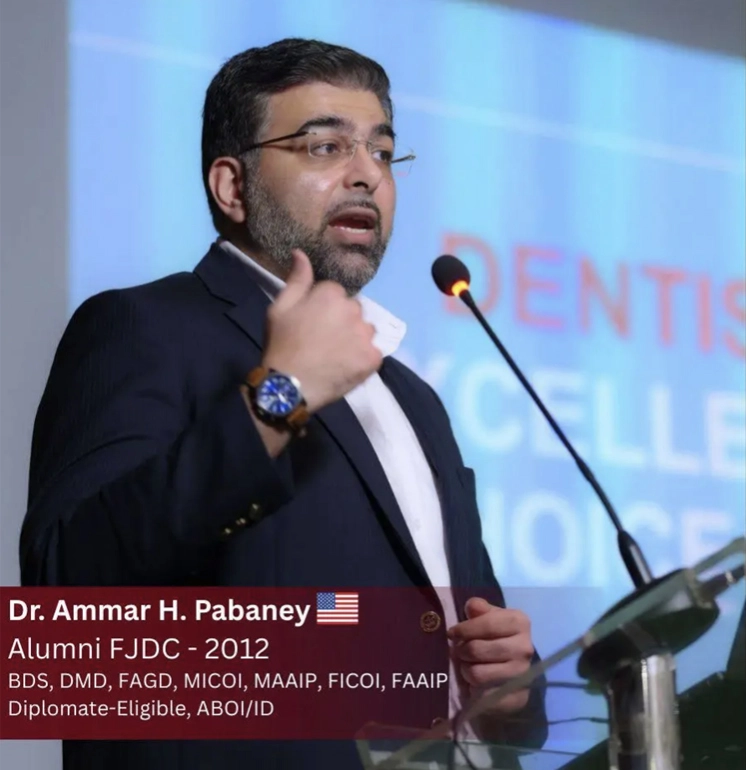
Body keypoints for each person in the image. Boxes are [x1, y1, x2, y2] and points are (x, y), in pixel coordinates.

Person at [21, 37, 546, 769]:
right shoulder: (145, 328)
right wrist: (283, 394)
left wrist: (514, 685)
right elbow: (66, 592)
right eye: (326, 146)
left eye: (383, 153)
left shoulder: (414, 399)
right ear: (232, 187)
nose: (366, 174)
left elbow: (473, 643)